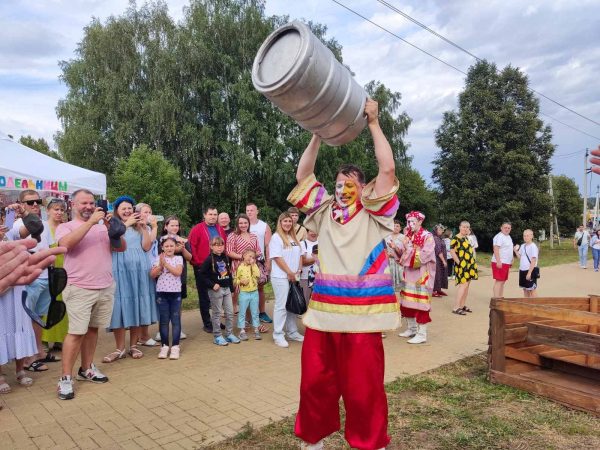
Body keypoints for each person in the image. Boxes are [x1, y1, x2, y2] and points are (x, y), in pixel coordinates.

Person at [288, 99, 399, 450]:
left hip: (364, 317)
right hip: (324, 315)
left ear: (363, 187)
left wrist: (374, 123)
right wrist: (317, 136)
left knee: (363, 386)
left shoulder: (374, 211)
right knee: (314, 383)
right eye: (338, 181)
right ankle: (313, 439)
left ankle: (370, 442)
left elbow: (388, 170)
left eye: (350, 181)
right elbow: (303, 176)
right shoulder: (323, 210)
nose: (342, 186)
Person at [56, 189, 126, 400]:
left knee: (93, 330)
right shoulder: (65, 226)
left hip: (105, 286)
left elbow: (121, 248)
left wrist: (112, 229)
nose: (88, 206)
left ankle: (86, 368)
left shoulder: (102, 226)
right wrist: (91, 222)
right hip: (79, 287)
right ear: (73, 205)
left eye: (91, 203)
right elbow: (66, 245)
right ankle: (65, 378)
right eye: (84, 203)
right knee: (76, 333)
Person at [8, 190, 59, 372]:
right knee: (26, 318)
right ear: (20, 204)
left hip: (45, 276)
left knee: (38, 317)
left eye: (38, 201)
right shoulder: (16, 225)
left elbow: (47, 247)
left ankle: (37, 352)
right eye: (30, 203)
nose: (35, 205)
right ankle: (27, 358)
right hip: (28, 278)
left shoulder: (44, 223)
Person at [104, 196, 157, 363]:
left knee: (136, 304)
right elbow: (110, 245)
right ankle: (119, 348)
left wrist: (143, 228)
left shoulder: (139, 226)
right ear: (117, 211)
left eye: (129, 208)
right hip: (119, 269)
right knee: (119, 306)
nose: (127, 211)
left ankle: (134, 345)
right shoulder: (112, 226)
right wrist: (124, 225)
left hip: (139, 270)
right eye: (123, 208)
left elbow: (147, 247)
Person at [398, 211, 436, 344]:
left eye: (413, 221)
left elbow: (425, 255)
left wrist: (408, 252)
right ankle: (412, 328)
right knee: (407, 301)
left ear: (420, 222)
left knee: (421, 303)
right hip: (408, 273)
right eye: (408, 221)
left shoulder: (428, 236)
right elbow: (403, 252)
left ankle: (422, 334)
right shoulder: (408, 236)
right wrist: (397, 249)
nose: (410, 224)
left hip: (421, 274)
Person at [189, 206, 227, 333]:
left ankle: (216, 320)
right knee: (204, 295)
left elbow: (223, 245)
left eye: (215, 214)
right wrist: (197, 263)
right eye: (210, 214)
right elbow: (192, 246)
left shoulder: (220, 229)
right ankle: (207, 322)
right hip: (202, 266)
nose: (213, 217)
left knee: (217, 294)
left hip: (217, 266)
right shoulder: (197, 229)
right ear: (204, 215)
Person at [269, 212, 303, 348]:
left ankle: (292, 332)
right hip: (281, 277)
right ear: (280, 222)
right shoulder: (276, 238)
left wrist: (298, 270)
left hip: (293, 276)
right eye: (285, 221)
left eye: (290, 221)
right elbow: (277, 258)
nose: (288, 223)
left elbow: (300, 255)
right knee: (281, 306)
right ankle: (278, 334)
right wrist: (289, 272)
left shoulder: (293, 237)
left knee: (291, 305)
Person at [154, 216, 191, 342]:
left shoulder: (183, 240)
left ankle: (178, 329)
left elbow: (190, 257)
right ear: (165, 226)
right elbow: (159, 253)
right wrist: (175, 248)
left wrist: (183, 248)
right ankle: (161, 330)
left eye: (177, 225)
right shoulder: (159, 239)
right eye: (172, 225)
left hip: (179, 278)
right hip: (163, 278)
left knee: (177, 305)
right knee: (162, 305)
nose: (175, 227)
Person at [199, 236, 240, 346]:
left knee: (230, 313)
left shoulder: (225, 257)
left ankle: (229, 333)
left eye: (221, 245)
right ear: (211, 246)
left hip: (227, 289)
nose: (219, 247)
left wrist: (231, 289)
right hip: (216, 291)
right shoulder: (209, 259)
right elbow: (201, 275)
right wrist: (212, 285)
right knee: (217, 313)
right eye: (216, 245)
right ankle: (217, 336)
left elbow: (229, 274)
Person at [41, 198, 69, 353]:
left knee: (62, 304)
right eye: (56, 209)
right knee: (46, 304)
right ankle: (43, 341)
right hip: (47, 270)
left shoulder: (65, 228)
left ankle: (61, 339)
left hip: (65, 271)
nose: (59, 212)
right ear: (48, 211)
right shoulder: (43, 227)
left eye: (61, 210)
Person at [150, 237, 184, 359]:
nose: (169, 248)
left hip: (175, 293)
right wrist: (160, 266)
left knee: (175, 320)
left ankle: (175, 346)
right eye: (167, 246)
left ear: (175, 247)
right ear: (162, 247)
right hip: (162, 293)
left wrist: (166, 264)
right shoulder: (157, 259)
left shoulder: (178, 258)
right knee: (164, 321)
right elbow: (152, 274)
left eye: (171, 246)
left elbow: (177, 272)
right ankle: (164, 346)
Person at [134, 202, 159, 347]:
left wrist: (153, 227)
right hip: (140, 267)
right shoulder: (136, 228)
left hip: (150, 267)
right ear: (137, 213)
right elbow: (148, 243)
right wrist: (154, 227)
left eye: (150, 211)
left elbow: (153, 243)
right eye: (145, 212)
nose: (148, 214)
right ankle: (140, 336)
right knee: (142, 299)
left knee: (147, 300)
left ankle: (143, 335)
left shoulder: (148, 227)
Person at [226, 213, 261, 313]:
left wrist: (253, 257)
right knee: (238, 287)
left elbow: (258, 250)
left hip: (251, 265)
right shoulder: (233, 235)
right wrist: (243, 257)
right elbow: (229, 251)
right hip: (238, 265)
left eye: (245, 223)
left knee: (251, 286)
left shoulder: (253, 236)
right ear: (237, 224)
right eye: (240, 223)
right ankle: (234, 306)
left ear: (249, 224)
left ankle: (250, 309)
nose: (243, 225)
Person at [246, 203, 273, 325]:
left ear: (257, 211)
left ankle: (262, 312)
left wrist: (268, 261)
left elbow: (268, 245)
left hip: (259, 261)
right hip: (244, 262)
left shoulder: (264, 226)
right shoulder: (243, 225)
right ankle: (249, 316)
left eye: (252, 210)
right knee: (245, 288)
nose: (250, 212)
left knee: (260, 287)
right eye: (247, 210)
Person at [450, 221, 478, 315]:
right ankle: (456, 307)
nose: (465, 229)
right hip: (462, 265)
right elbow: (452, 252)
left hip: (470, 264)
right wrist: (459, 263)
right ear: (459, 227)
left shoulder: (467, 237)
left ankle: (462, 305)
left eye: (467, 227)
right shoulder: (455, 238)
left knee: (467, 286)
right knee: (463, 285)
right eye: (464, 227)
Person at [234, 249, 262, 341]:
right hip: (244, 293)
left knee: (255, 312)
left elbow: (258, 275)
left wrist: (254, 265)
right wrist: (240, 281)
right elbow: (235, 280)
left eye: (253, 257)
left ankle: (256, 329)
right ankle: (242, 331)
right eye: (249, 256)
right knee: (242, 311)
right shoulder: (240, 267)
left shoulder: (254, 266)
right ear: (244, 256)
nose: (251, 259)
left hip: (254, 292)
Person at [513, 229, 539, 297]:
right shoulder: (523, 246)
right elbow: (520, 257)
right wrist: (515, 251)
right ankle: (526, 304)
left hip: (530, 270)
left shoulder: (533, 246)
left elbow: (533, 260)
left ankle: (535, 305)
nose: (526, 237)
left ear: (531, 236)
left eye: (527, 236)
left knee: (532, 289)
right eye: (524, 236)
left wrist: (529, 273)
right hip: (522, 270)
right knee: (525, 289)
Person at [492, 222, 514, 298]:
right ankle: (496, 299)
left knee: (503, 281)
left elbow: (509, 249)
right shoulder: (499, 237)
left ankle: (500, 297)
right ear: (501, 228)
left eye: (509, 228)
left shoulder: (508, 237)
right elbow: (496, 249)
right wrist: (498, 261)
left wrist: (512, 259)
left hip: (506, 262)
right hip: (500, 262)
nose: (507, 229)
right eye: (505, 227)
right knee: (499, 281)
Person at [385, 220, 405, 301]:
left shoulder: (403, 237)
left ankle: (401, 301)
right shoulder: (387, 237)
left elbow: (405, 252)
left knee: (400, 280)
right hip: (387, 261)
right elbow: (383, 248)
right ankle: (389, 299)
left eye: (397, 226)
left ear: (400, 228)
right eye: (394, 225)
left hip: (398, 262)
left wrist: (395, 251)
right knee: (388, 280)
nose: (395, 227)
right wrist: (386, 254)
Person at [299, 230, 318, 304]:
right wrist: (319, 257)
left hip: (320, 278)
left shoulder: (323, 243)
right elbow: (304, 262)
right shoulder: (302, 244)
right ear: (307, 232)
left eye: (315, 231)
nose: (313, 233)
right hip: (306, 278)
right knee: (306, 302)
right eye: (311, 231)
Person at [431, 224, 448, 297]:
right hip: (437, 260)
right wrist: (443, 261)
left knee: (441, 274)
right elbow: (438, 251)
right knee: (436, 275)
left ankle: (439, 289)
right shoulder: (435, 238)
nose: (441, 231)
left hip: (440, 260)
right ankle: (434, 291)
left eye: (442, 230)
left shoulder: (440, 238)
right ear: (435, 230)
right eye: (440, 230)